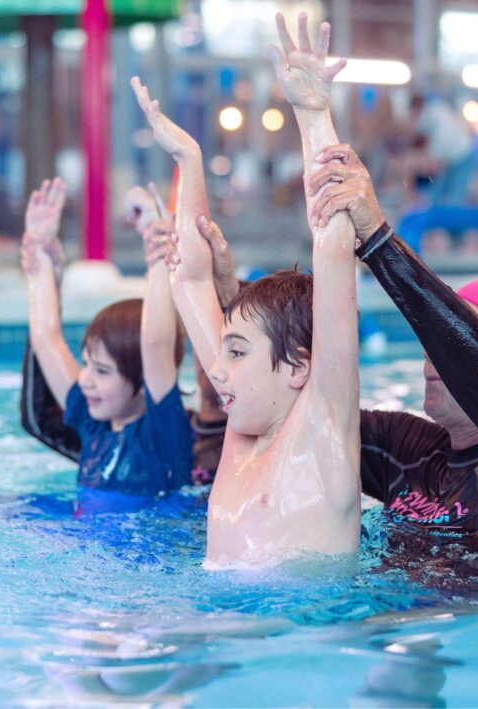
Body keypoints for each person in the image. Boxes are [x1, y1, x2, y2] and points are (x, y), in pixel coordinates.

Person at [129, 11, 361, 568]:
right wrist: (188, 161)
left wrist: (312, 113)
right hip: (232, 638)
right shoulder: (243, 420)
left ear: (301, 366)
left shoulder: (321, 430)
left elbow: (332, 242)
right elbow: (187, 275)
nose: (218, 368)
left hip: (304, 643)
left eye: (236, 352)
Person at [306, 141, 478, 549]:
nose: (433, 351)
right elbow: (310, 414)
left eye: (466, 332)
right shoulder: (409, 451)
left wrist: (377, 238)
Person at [20, 186, 230, 486]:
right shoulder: (93, 425)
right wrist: (40, 257)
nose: (85, 379)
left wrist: (158, 254)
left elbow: (155, 343)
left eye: (103, 370)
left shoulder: (161, 437)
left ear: (146, 382)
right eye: (88, 364)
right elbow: (46, 339)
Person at [410, 94, 477, 207]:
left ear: (417, 107)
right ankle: (438, 211)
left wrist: (429, 162)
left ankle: (452, 219)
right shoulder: (435, 111)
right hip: (456, 154)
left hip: (463, 154)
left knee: (455, 195)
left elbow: (434, 159)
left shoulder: (431, 117)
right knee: (440, 191)